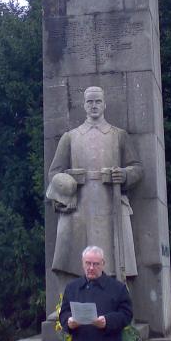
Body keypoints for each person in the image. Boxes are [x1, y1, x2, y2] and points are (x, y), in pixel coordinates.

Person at [47, 86, 143, 284]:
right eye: (90, 102)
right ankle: (68, 306)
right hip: (79, 206)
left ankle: (114, 304)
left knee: (113, 260)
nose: (94, 106)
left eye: (98, 101)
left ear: (104, 104)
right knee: (73, 261)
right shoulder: (70, 137)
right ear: (84, 105)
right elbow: (54, 172)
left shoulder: (118, 135)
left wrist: (124, 175)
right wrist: (67, 187)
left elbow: (137, 168)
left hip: (110, 202)